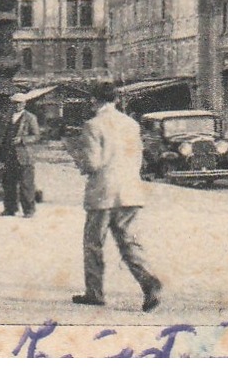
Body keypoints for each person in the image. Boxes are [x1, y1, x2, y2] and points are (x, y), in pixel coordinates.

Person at [69, 81, 162, 311]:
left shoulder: (92, 125)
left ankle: (95, 292)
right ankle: (149, 282)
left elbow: (92, 163)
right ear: (116, 100)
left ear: (94, 101)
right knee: (128, 241)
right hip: (130, 190)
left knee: (94, 243)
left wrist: (77, 157)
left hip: (103, 192)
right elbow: (138, 157)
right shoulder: (131, 124)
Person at [0, 92, 40, 217]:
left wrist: (23, 139)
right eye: (14, 103)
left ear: (24, 103)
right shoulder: (8, 117)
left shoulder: (30, 117)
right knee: (8, 182)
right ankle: (10, 209)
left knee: (26, 184)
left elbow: (36, 136)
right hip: (9, 154)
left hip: (24, 155)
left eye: (19, 103)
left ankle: (29, 210)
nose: (16, 105)